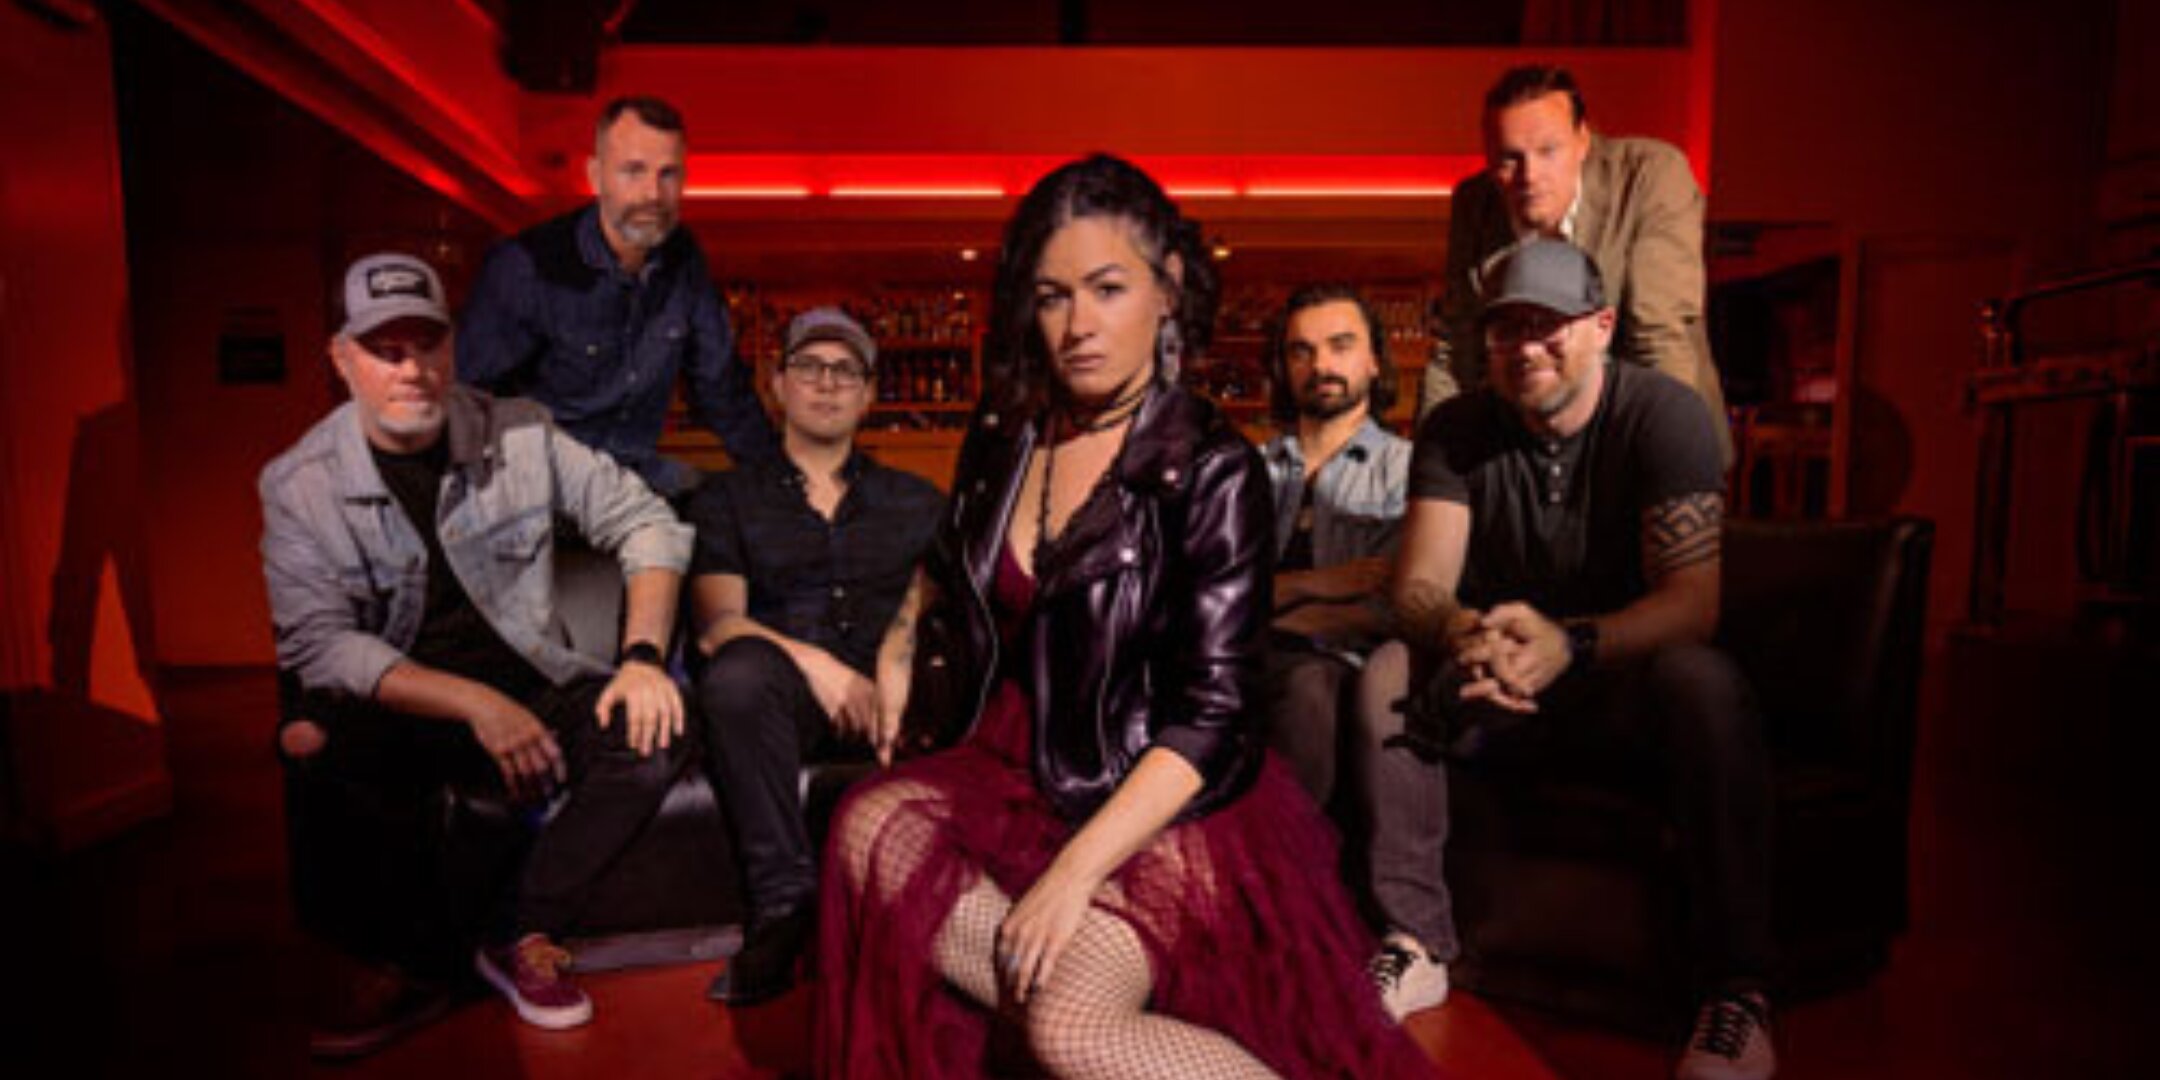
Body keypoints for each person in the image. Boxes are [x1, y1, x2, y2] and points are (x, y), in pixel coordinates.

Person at [817, 155, 1428, 1078]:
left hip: (1166, 791)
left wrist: (1072, 876)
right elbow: (947, 560)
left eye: (1107, 289)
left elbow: (1215, 717)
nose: (1078, 326)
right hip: (1025, 761)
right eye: (1053, 297)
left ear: (1167, 290)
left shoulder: (1214, 468)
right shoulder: (1006, 433)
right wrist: (902, 640)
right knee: (866, 826)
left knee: (1071, 1029)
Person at [261, 253, 693, 1053]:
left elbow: (646, 521)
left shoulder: (520, 431)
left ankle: (524, 928)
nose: (411, 369)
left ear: (452, 345)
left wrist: (640, 657)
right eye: (384, 349)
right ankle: (408, 965)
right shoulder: (298, 484)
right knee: (315, 742)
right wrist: (475, 706)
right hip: (403, 696)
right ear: (341, 358)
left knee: (654, 734)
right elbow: (321, 644)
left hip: (532, 677)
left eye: (426, 343)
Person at [1390, 238, 1775, 1080]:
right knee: (1388, 669)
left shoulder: (1664, 414)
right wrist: (1464, 632)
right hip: (1500, 682)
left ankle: (1736, 994)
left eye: (1549, 324)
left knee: (1702, 681)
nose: (1526, 346)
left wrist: (1572, 644)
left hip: (1619, 682)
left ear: (1601, 326)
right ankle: (1414, 940)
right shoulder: (1457, 426)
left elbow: (1693, 605)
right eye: (1507, 328)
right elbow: (1417, 588)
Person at [685, 307, 942, 1005]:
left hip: (894, 706)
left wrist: (893, 671)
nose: (826, 383)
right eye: (809, 367)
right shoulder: (726, 498)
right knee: (738, 674)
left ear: (868, 394)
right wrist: (817, 666)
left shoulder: (918, 502)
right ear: (777, 385)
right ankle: (785, 910)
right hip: (780, 707)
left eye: (845, 371)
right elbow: (718, 624)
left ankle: (941, 926)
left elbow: (939, 606)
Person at [1254, 284, 1452, 1023]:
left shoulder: (1409, 471)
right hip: (1246, 659)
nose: (1321, 365)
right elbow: (1210, 597)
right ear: (1284, 367)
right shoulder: (1248, 471)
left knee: (1313, 688)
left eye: (1340, 346)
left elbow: (1398, 602)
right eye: (1301, 351)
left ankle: (1301, 916)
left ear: (1374, 361)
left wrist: (1281, 604)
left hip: (1341, 665)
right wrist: (1317, 583)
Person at [457, 95, 776, 499]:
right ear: (596, 176)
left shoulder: (683, 258)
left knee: (731, 513)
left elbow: (723, 387)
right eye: (633, 171)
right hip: (539, 488)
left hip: (635, 478)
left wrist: (782, 486)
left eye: (668, 174)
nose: (653, 194)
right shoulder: (527, 265)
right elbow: (467, 401)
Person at [1419, 64, 1732, 466]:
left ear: (1584, 141)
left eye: (1548, 151)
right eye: (1509, 159)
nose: (1530, 176)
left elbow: (1657, 335)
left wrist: (1676, 460)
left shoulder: (1650, 175)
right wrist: (1427, 464)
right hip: (1528, 447)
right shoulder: (1475, 202)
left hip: (1640, 428)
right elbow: (1457, 346)